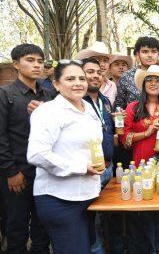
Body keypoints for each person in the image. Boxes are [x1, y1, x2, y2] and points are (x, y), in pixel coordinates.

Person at [27, 59, 104, 254]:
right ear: (56, 84)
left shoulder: (88, 110)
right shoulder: (48, 111)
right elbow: (37, 154)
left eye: (81, 78)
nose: (78, 83)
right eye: (70, 79)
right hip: (59, 198)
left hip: (87, 195)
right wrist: (81, 167)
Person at [120, 65, 159, 254]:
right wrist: (146, 133)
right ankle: (150, 247)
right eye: (149, 80)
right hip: (140, 164)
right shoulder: (133, 108)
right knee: (145, 208)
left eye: (157, 80)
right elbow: (125, 139)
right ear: (143, 84)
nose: (153, 83)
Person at [0, 43, 51, 254]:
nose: (36, 65)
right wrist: (11, 171)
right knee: (17, 227)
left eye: (40, 61)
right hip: (17, 173)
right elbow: (1, 137)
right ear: (16, 64)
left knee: (42, 228)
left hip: (45, 173)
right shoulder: (5, 95)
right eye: (30, 60)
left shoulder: (49, 96)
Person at [81, 57, 115, 254]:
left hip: (108, 167)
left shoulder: (104, 101)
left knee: (105, 218)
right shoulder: (75, 101)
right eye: (90, 72)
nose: (95, 75)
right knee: (90, 220)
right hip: (88, 170)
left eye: (98, 72)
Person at [77, 41, 117, 105]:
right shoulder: (78, 86)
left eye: (105, 61)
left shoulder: (113, 86)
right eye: (97, 60)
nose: (102, 64)